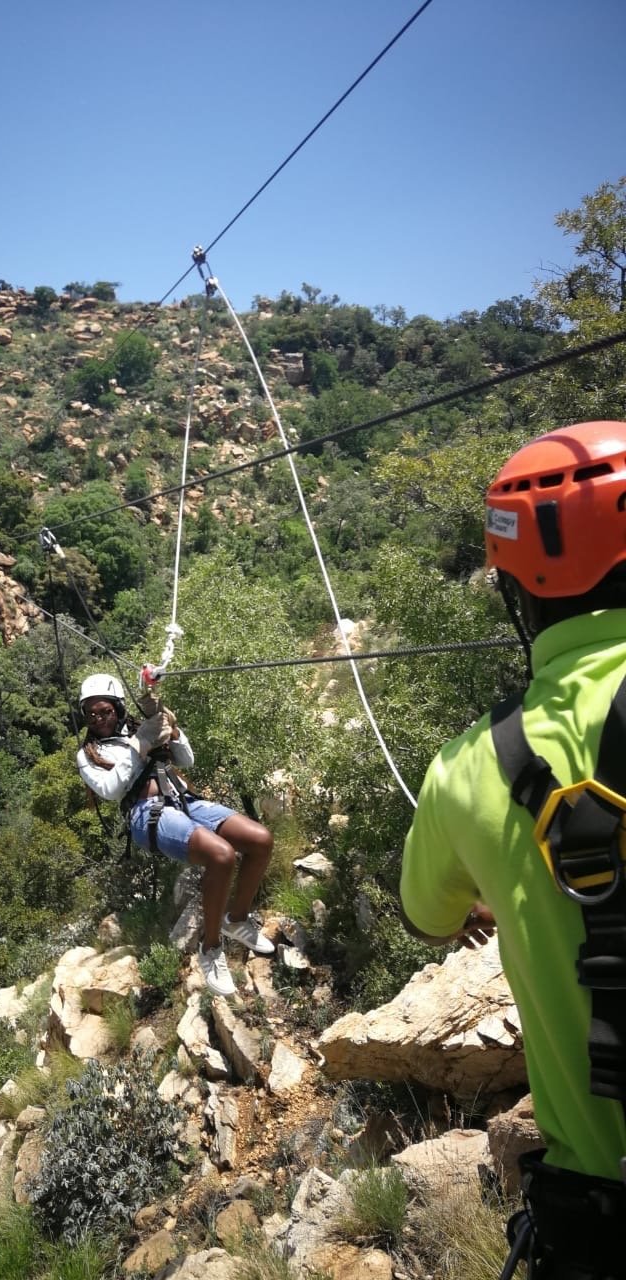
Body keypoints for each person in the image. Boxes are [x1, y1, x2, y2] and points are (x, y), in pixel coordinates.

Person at [400, 421, 626, 1279]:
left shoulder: (468, 773)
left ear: (517, 591)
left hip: (600, 1227)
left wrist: (509, 876)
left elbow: (429, 918)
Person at [76, 673, 275, 997]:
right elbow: (111, 791)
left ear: (118, 708)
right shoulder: (88, 755)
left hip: (184, 799)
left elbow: (187, 760)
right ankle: (211, 949)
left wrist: (169, 725)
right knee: (222, 856)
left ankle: (237, 920)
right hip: (146, 814)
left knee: (260, 840)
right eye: (91, 714)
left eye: (105, 712)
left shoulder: (144, 725)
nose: (99, 720)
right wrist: (140, 743)